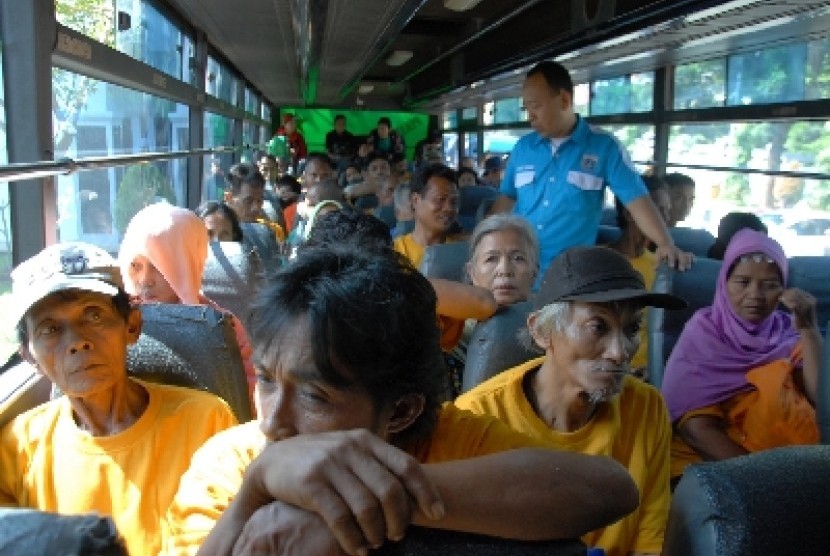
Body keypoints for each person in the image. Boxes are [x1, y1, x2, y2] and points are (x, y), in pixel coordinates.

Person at [166, 245, 640, 555]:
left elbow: (609, 490)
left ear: (401, 411)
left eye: (314, 395)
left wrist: (384, 498)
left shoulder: (455, 442)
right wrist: (256, 488)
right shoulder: (229, 464)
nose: (273, 423)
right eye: (267, 381)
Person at [0, 242, 237, 556]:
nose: (77, 342)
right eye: (51, 328)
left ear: (132, 326)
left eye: (93, 316)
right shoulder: (17, 447)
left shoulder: (207, 422)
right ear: (29, 356)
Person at [456, 246, 687, 556]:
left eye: (632, 329)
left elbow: (650, 538)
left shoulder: (647, 407)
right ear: (541, 330)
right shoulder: (476, 417)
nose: (619, 353)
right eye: (598, 327)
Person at [491, 61, 689, 280]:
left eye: (536, 107)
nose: (530, 117)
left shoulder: (604, 147)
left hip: (568, 277)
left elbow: (637, 199)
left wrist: (665, 243)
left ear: (564, 100)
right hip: (516, 273)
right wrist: (482, 243)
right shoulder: (523, 148)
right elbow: (506, 199)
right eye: (526, 109)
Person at [661, 229, 821, 481]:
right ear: (724, 284)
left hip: (794, 464)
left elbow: (821, 398)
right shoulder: (705, 334)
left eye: (770, 286)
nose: (755, 295)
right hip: (714, 472)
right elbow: (697, 431)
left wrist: (809, 330)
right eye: (743, 282)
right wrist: (764, 480)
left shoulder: (788, 330)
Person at [118, 203, 257, 406]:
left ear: (187, 264)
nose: (145, 279)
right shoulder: (115, 322)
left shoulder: (223, 329)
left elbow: (249, 401)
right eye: (136, 266)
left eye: (158, 266)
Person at [607, 174, 674, 377]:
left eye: (667, 211)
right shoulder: (601, 263)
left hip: (655, 372)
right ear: (630, 213)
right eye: (658, 211)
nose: (666, 220)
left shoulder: (663, 267)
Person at [393, 163, 461, 269]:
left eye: (454, 202)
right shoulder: (395, 252)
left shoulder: (461, 253)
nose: (449, 208)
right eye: (440, 200)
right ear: (415, 200)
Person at [466, 214, 539, 307]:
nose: (505, 271)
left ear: (534, 273)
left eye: (517, 258)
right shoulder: (452, 320)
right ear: (472, 272)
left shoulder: (553, 320)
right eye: (491, 259)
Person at [224, 163, 286, 242]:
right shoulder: (211, 232)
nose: (256, 208)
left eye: (259, 201)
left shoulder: (273, 232)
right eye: (248, 201)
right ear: (229, 198)